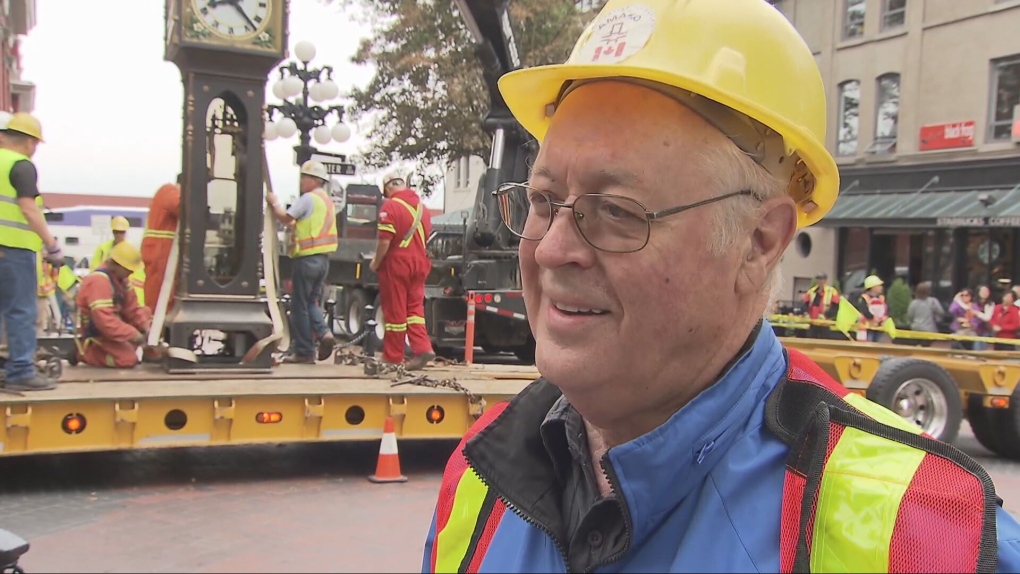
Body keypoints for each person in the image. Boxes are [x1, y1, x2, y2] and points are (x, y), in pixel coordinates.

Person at [420, 0, 1020, 572]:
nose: (551, 248)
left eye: (618, 211)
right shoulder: (479, 479)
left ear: (760, 241)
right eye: (544, 201)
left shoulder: (924, 533)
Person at [0, 112, 59, 391]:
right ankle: (21, 370)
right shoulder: (21, 165)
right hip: (13, 250)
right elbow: (28, 209)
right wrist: (52, 244)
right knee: (20, 311)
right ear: (30, 142)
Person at [266, 160, 337, 363]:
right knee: (311, 302)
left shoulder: (308, 199)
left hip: (306, 258)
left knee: (299, 306)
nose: (301, 182)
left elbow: (286, 218)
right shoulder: (327, 201)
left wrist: (274, 202)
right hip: (323, 260)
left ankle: (305, 352)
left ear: (314, 180)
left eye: (304, 178)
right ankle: (324, 333)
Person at [370, 171, 435, 370]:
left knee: (395, 311)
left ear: (388, 189)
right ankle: (423, 348)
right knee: (414, 310)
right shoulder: (423, 209)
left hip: (398, 263)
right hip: (420, 262)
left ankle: (393, 356)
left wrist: (375, 262)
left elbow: (384, 241)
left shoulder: (390, 206)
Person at [75, 241, 152, 368]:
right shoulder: (99, 282)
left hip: (113, 327)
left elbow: (133, 309)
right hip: (98, 333)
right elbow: (105, 322)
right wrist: (133, 335)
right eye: (128, 269)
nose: (131, 273)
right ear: (118, 266)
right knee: (127, 360)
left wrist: (147, 328)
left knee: (146, 313)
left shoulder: (120, 279)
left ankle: (130, 347)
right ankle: (83, 353)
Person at [92, 215, 146, 305]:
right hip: (107, 288)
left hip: (125, 290)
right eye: (116, 232)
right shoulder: (103, 249)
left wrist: (139, 303)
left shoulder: (130, 250)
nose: (118, 235)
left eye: (121, 232)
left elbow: (138, 278)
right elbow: (94, 269)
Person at [801, 271, 839, 339]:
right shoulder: (811, 291)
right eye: (818, 279)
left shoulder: (832, 291)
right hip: (813, 322)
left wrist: (826, 315)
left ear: (825, 280)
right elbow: (805, 304)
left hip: (825, 323)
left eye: (821, 279)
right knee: (810, 340)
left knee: (824, 341)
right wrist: (806, 313)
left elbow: (835, 307)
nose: (819, 281)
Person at [855, 274, 889, 342]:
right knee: (868, 347)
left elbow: (887, 310)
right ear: (872, 287)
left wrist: (885, 317)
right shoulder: (864, 298)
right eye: (879, 285)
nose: (881, 287)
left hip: (880, 327)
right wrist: (873, 317)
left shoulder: (881, 297)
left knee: (878, 348)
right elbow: (864, 310)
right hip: (868, 328)